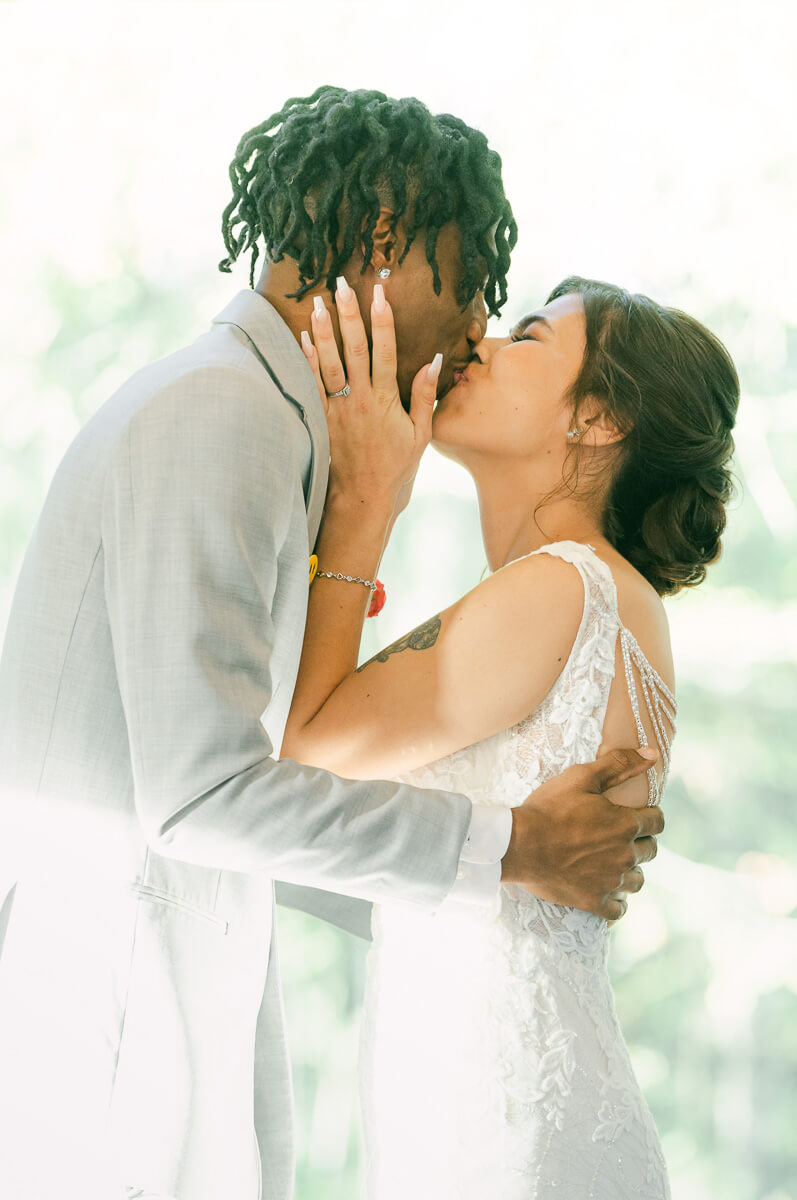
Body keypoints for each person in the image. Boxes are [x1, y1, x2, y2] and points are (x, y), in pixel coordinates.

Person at [0, 88, 662, 1200]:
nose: (474, 330)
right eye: (471, 281)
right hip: (112, 1033)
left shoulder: (257, 419)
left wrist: (499, 913)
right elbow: (199, 797)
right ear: (383, 241)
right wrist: (508, 851)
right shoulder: (221, 416)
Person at [283, 273, 738, 1198]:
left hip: (497, 1125)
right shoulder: (603, 597)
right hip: (501, 1098)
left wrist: (365, 506)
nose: (483, 341)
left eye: (530, 336)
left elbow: (304, 750)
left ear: (598, 420)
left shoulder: (561, 585)